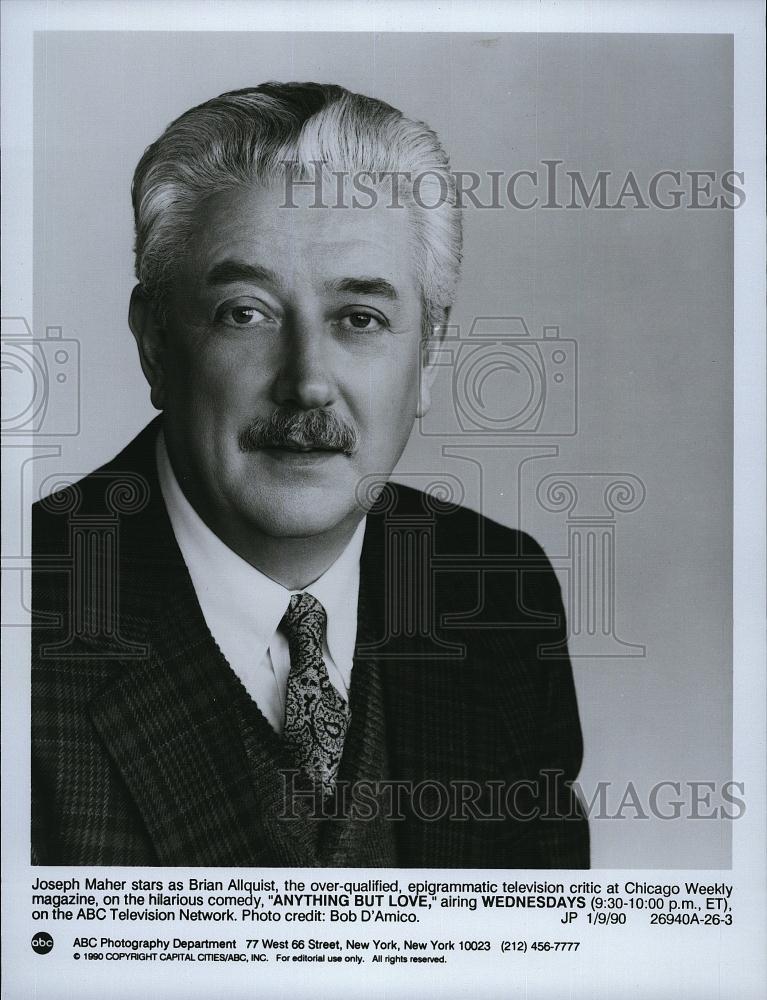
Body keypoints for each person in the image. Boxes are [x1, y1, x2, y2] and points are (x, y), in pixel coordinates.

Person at [31, 82, 589, 867]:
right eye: (245, 312)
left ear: (427, 357)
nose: (307, 383)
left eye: (359, 318)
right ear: (156, 344)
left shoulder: (495, 592)